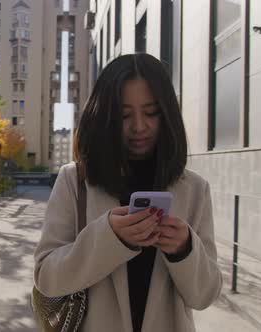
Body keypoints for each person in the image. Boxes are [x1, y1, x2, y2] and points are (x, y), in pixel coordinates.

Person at [33, 53, 222, 332]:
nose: (138, 126)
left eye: (151, 112)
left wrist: (184, 250)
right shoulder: (74, 181)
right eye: (124, 115)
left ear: (166, 113)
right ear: (105, 117)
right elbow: (47, 278)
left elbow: (205, 295)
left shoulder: (194, 189)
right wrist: (109, 237)